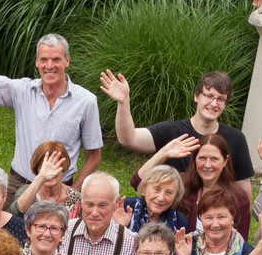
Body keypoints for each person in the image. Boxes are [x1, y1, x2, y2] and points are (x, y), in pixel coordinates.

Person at [0, 0, 102, 193]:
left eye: (56, 59)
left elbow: (94, 156)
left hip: (60, 187)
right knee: (8, 226)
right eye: (44, 59)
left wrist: (72, 194)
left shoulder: (86, 101)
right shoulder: (22, 91)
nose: (50, 65)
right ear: (37, 62)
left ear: (67, 61)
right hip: (19, 184)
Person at [102, 69, 254, 200]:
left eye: (221, 99)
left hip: (214, 220)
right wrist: (123, 103)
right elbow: (129, 139)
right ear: (196, 96)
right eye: (208, 96)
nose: (214, 104)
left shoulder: (236, 138)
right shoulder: (171, 131)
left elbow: (244, 193)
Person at [135, 134, 252, 236]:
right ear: (194, 159)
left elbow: (241, 242)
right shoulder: (182, 184)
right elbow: (138, 183)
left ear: (225, 161)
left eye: (214, 159)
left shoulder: (238, 197)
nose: (207, 165)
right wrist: (163, 153)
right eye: (202, 158)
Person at [61, 172, 138, 255]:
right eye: (90, 204)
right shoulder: (63, 232)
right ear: (81, 202)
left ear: (115, 204)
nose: (95, 213)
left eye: (102, 206)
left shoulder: (131, 243)